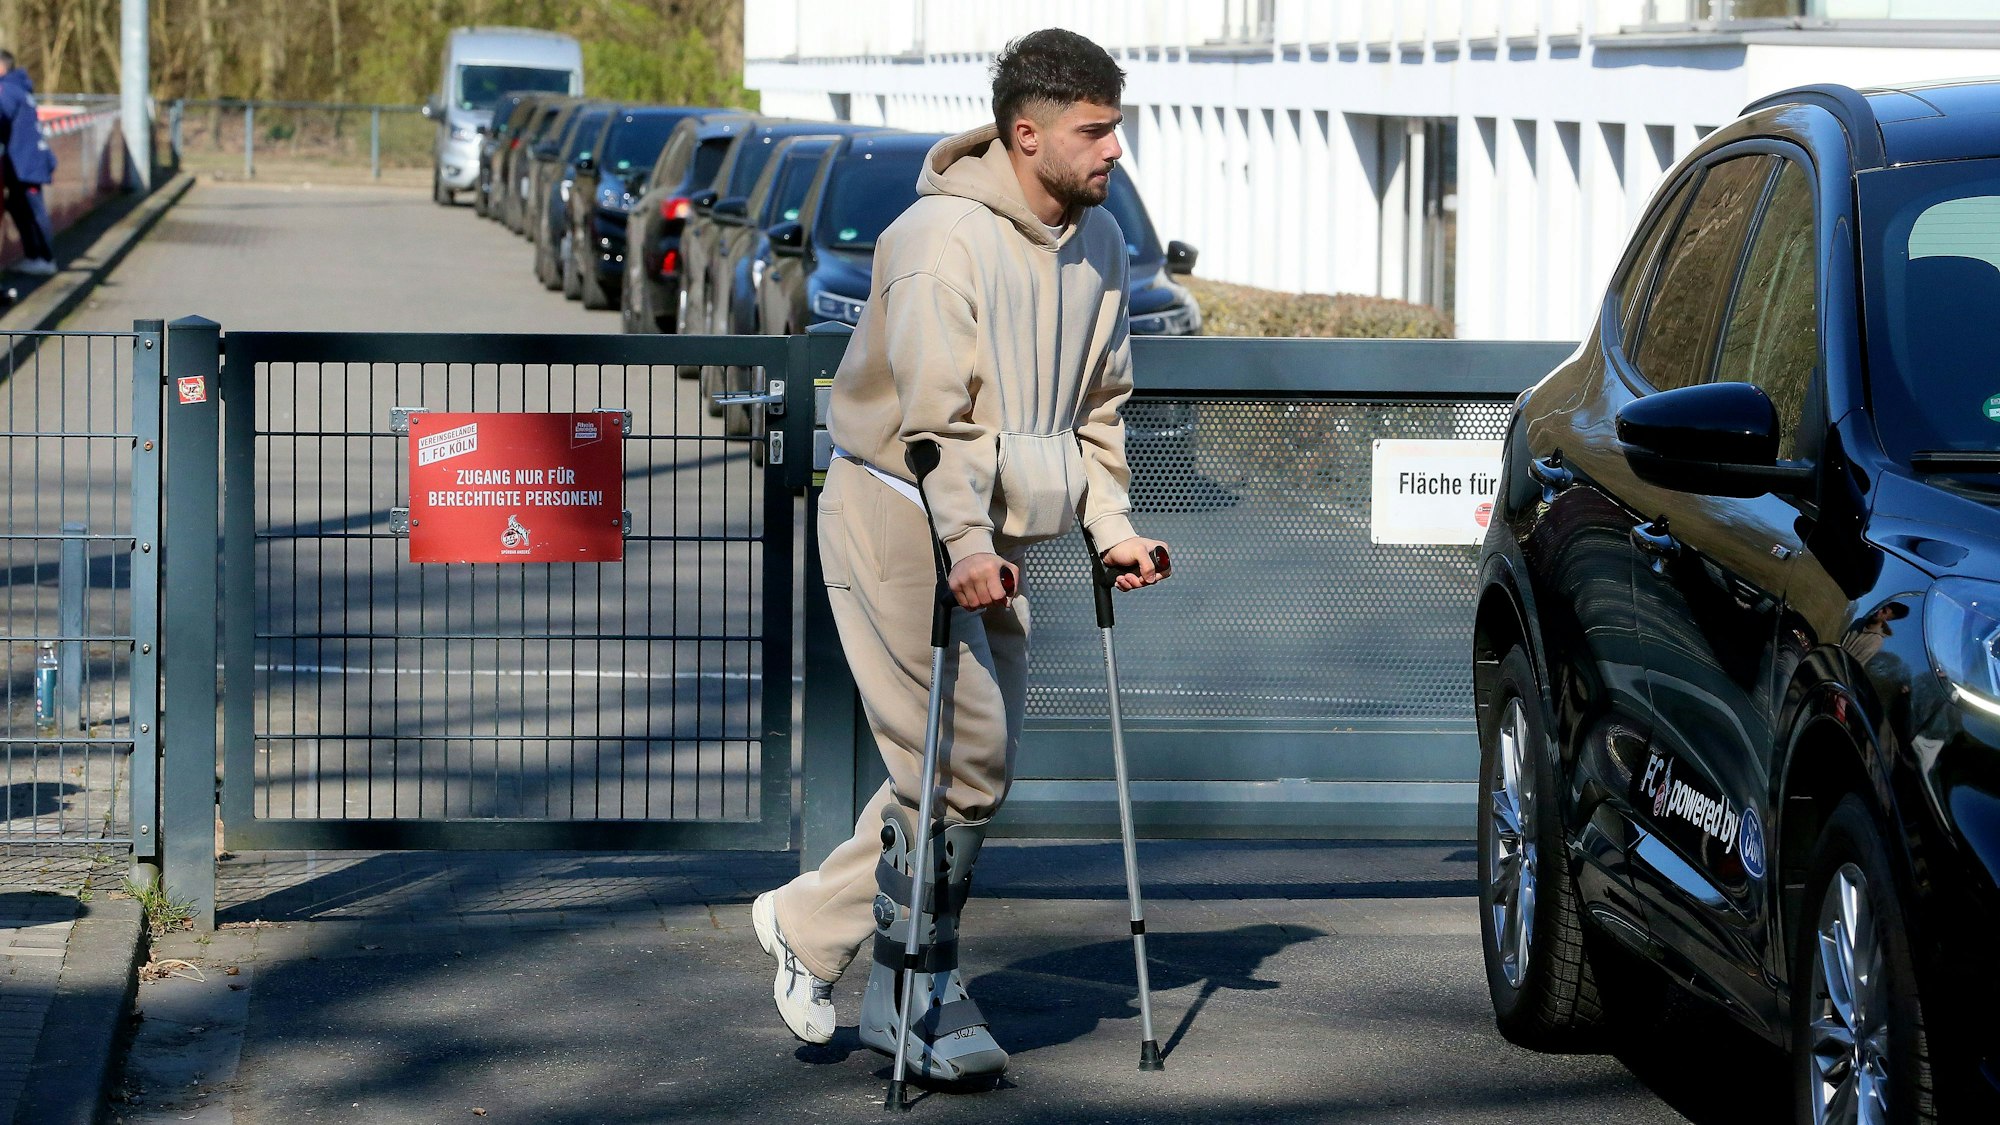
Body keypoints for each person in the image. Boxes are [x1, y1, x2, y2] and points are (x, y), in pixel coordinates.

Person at [750, 27, 1169, 1083]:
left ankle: (811, 926)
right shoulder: (936, 241)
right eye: (1095, 130)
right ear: (1025, 136)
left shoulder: (1101, 244)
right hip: (900, 510)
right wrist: (965, 543)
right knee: (960, 764)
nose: (1114, 150)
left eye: (1115, 127)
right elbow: (933, 420)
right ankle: (914, 988)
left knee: (953, 774)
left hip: (986, 538)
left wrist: (1112, 528)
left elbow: (1100, 408)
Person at [0, 50, 57, 276]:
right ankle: (35, 256)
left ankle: (44, 258)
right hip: (25, 160)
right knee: (18, 206)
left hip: (25, 163)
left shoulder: (8, 89)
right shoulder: (20, 86)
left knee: (33, 209)